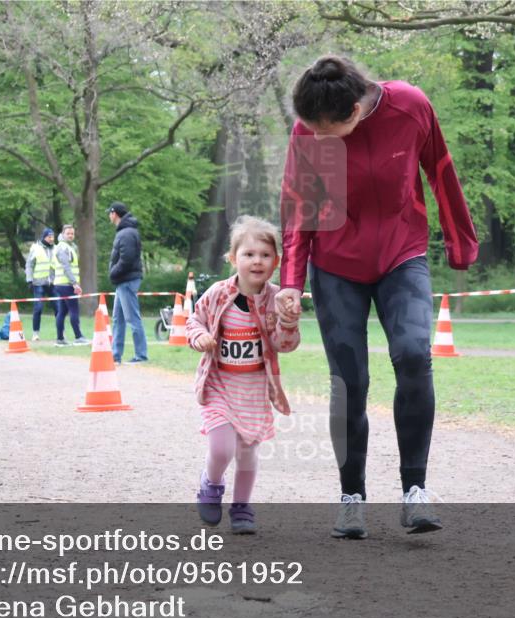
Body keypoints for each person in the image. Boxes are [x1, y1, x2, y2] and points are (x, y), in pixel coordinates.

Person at [274, 55, 478, 538]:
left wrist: (459, 241)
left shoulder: (409, 107)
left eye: (329, 128)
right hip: (335, 265)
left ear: (357, 108)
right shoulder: (309, 133)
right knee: (350, 380)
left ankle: (415, 492)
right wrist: (290, 281)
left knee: (412, 355)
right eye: (312, 128)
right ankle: (352, 496)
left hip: (400, 256)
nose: (319, 136)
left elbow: (440, 170)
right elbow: (300, 208)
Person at [187, 216, 301, 534]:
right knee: (222, 449)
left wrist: (288, 323)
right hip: (219, 386)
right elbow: (193, 321)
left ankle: (241, 507)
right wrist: (199, 338)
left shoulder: (278, 299)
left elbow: (284, 345)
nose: (257, 261)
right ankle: (211, 484)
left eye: (265, 255)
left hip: (254, 391)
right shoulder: (217, 294)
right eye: (249, 254)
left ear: (276, 262)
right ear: (232, 258)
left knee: (248, 454)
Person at [107, 201, 148, 363]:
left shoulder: (126, 233)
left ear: (114, 213)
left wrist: (113, 272)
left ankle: (141, 355)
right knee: (118, 318)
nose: (109, 217)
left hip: (126, 280)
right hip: (122, 281)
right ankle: (115, 355)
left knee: (132, 318)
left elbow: (127, 259)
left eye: (109, 214)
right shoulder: (125, 232)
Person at [51, 224, 88, 346]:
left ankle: (60, 339)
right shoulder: (63, 248)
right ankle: (78, 336)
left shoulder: (67, 247)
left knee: (62, 311)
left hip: (62, 284)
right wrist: (75, 283)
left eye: (72, 233)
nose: (71, 235)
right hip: (66, 284)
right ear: (62, 234)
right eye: (68, 233)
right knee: (73, 310)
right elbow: (66, 267)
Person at [25, 227, 57, 341]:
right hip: (38, 283)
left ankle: (61, 333)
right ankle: (35, 334)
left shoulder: (56, 249)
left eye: (53, 236)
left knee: (58, 308)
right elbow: (29, 265)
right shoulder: (36, 248)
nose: (52, 239)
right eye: (49, 236)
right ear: (44, 237)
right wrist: (29, 280)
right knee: (38, 308)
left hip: (53, 284)